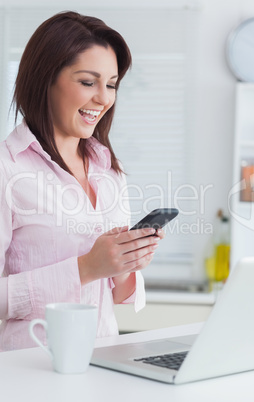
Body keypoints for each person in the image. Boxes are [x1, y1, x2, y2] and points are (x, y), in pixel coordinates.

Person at [0, 11, 164, 351]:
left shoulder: (108, 169)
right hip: (30, 374)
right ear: (45, 78)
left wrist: (123, 262)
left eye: (111, 84)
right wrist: (85, 268)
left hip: (101, 366)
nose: (104, 98)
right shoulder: (7, 169)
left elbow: (113, 294)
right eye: (88, 82)